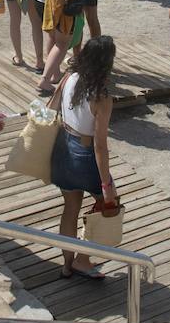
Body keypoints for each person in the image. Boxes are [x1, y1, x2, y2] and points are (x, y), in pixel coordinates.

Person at [50, 35, 119, 279]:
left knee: (70, 208)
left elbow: (52, 108)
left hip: (62, 148)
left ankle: (67, 264)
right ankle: (83, 259)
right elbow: (100, 145)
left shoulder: (70, 77)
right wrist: (106, 184)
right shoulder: (101, 96)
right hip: (84, 153)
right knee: (106, 205)